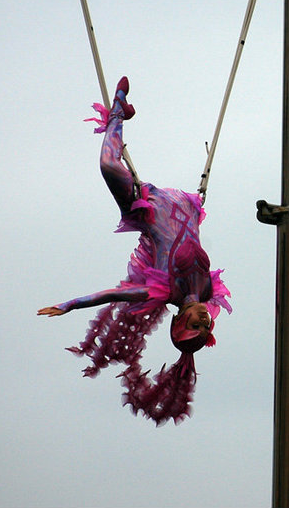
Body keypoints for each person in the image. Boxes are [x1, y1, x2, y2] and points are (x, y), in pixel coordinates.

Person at [38, 77, 231, 425]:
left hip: (149, 206)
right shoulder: (210, 290)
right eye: (206, 328)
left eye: (194, 327)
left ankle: (117, 111)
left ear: (178, 321)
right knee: (112, 169)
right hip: (184, 205)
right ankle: (119, 111)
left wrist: (70, 305)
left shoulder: (161, 290)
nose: (204, 321)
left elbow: (111, 294)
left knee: (109, 166)